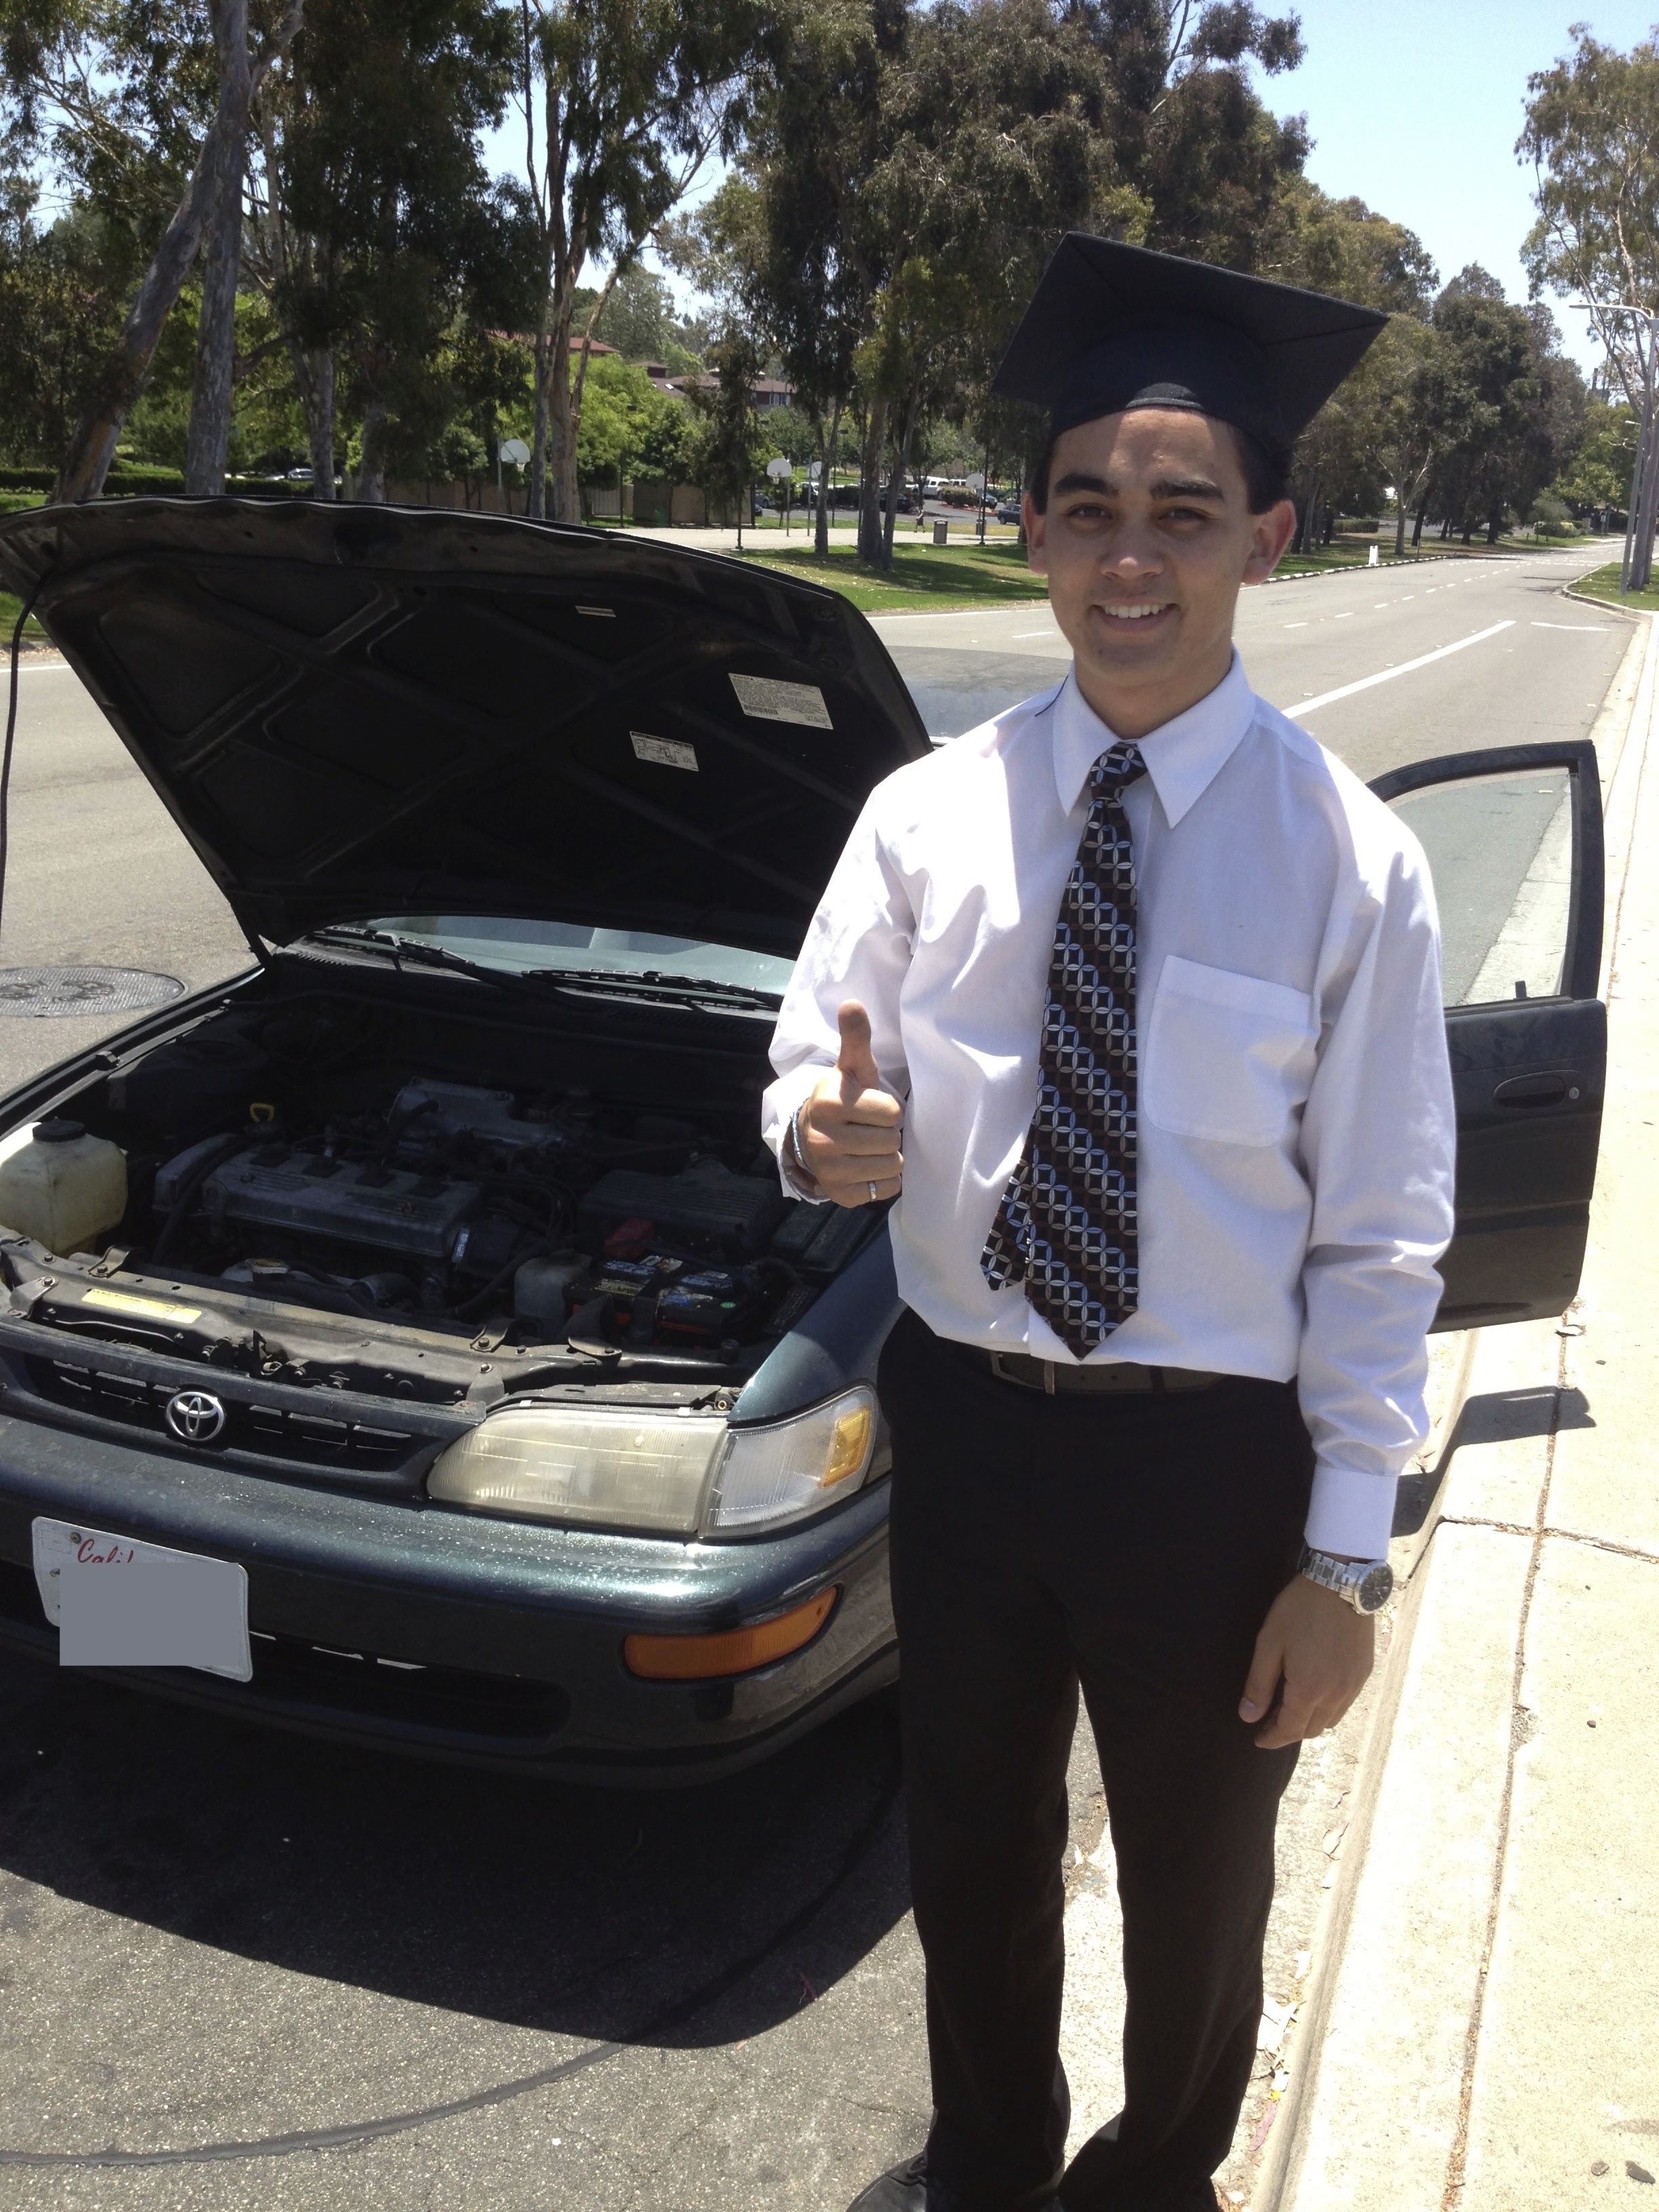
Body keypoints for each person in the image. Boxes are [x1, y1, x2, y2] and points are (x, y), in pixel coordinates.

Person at [760, 234, 1456, 2212]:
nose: (1128, 561)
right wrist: (828, 1137)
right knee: (967, 1850)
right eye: (1088, 513)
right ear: (1038, 533)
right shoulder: (924, 818)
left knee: (1200, 1881)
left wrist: (1348, 1561)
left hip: (1212, 1469)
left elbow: (1386, 1233)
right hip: (968, 1431)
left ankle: (1156, 2177)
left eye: (1183, 514)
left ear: (1268, 539)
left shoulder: (1354, 864)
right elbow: (812, 1059)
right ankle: (989, 2161)